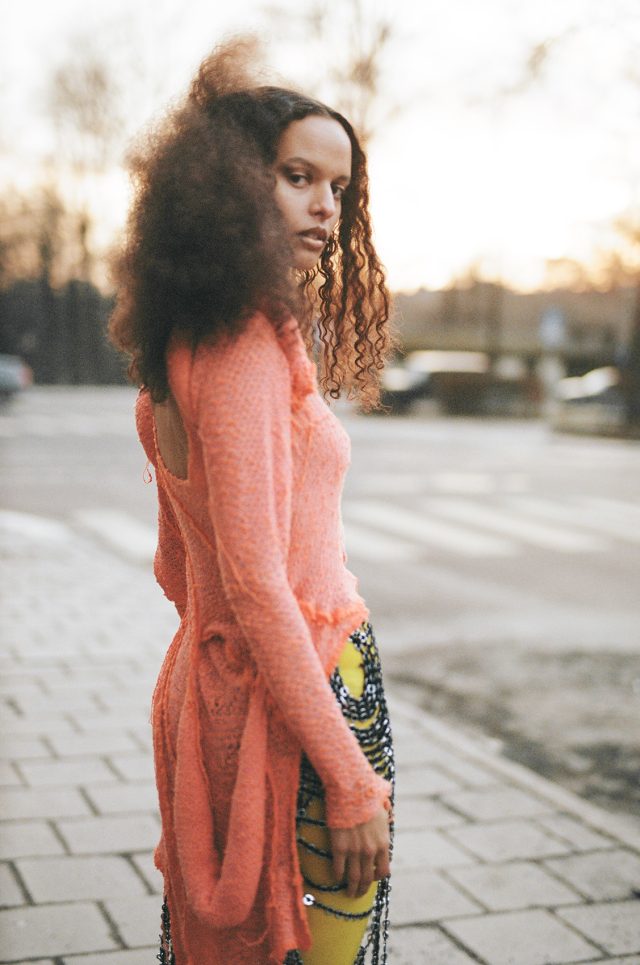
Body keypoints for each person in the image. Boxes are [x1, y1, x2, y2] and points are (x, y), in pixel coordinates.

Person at [109, 37, 396, 965]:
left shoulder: (187, 339)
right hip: (304, 698)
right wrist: (348, 780)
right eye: (298, 177)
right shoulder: (242, 349)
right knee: (319, 948)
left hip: (237, 688)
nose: (325, 206)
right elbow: (256, 583)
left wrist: (223, 667)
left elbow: (177, 566)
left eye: (339, 187)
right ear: (228, 187)